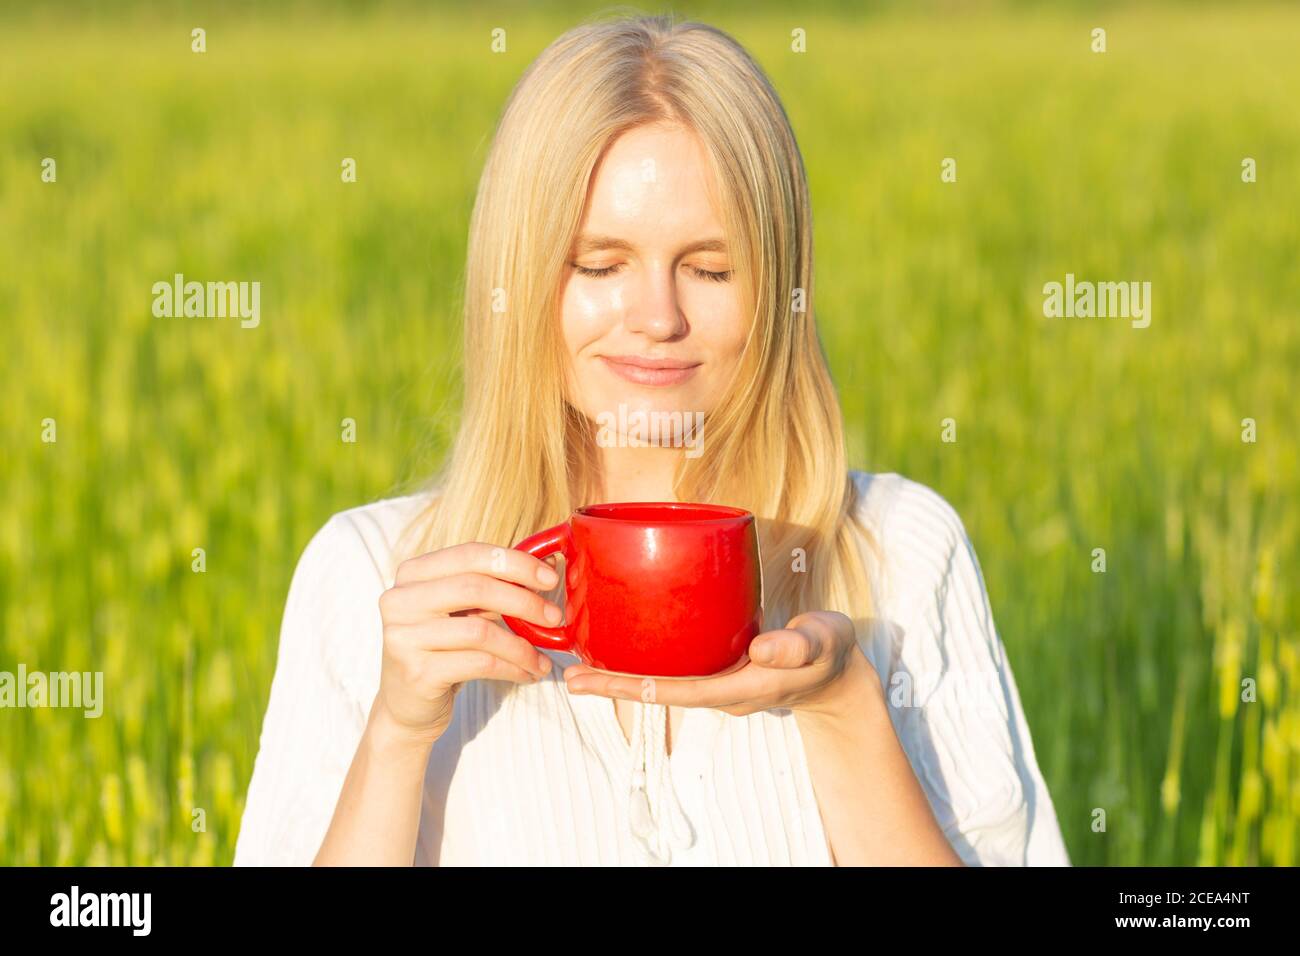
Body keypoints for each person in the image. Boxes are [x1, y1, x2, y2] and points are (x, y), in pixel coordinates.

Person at [233, 13, 1070, 867]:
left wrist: (847, 708)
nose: (659, 319)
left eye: (711, 269)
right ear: (516, 282)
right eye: (600, 266)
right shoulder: (373, 579)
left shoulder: (899, 554)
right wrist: (397, 734)